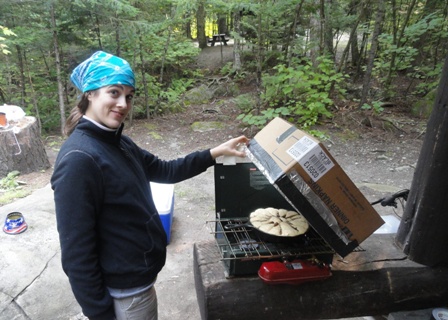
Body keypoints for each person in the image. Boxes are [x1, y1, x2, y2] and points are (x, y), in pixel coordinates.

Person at [51, 51, 249, 320]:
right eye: (114, 92)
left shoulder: (118, 142)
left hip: (137, 282)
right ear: (90, 94)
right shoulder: (80, 159)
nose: (123, 104)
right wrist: (100, 313)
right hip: (124, 294)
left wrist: (213, 153)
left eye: (129, 96)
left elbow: (166, 170)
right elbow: (76, 254)